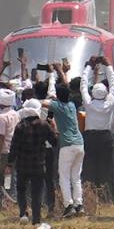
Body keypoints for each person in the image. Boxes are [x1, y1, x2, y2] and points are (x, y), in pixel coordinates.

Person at [7, 99, 57, 225]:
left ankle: (23, 213)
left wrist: (9, 163)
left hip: (22, 164)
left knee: (21, 190)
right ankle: (36, 219)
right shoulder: (44, 125)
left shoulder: (20, 126)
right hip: (39, 163)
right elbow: (54, 142)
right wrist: (54, 129)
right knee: (37, 192)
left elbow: (14, 147)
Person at [47, 69, 85, 218]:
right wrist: (62, 72)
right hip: (79, 144)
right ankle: (79, 205)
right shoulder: (71, 105)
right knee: (76, 176)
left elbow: (43, 103)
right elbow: (66, 88)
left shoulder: (57, 106)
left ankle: (68, 205)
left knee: (64, 176)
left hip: (67, 145)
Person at [80, 58, 114, 202]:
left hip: (90, 137)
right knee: (105, 168)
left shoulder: (88, 103)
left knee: (89, 167)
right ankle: (106, 198)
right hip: (105, 137)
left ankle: (89, 197)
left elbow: (83, 85)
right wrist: (108, 65)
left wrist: (88, 67)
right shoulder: (109, 102)